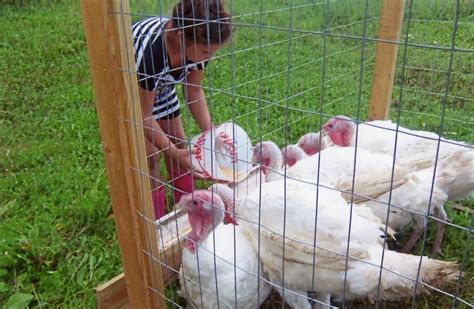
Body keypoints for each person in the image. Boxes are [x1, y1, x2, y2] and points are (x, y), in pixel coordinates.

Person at [132, 0, 233, 219]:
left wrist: (210, 133)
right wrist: (173, 153)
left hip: (162, 85)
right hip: (132, 89)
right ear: (181, 37)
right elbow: (144, 115)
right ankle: (156, 221)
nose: (209, 58)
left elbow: (193, 90)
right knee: (150, 156)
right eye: (206, 51)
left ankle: (187, 212)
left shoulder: (197, 43)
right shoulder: (152, 54)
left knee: (180, 142)